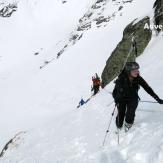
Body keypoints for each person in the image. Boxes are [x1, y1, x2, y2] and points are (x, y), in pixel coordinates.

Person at [112, 62, 163, 132]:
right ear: (129, 71)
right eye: (134, 71)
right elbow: (114, 92)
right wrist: (116, 100)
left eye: (137, 70)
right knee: (121, 113)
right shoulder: (121, 79)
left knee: (131, 112)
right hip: (121, 98)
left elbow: (147, 88)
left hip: (133, 97)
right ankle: (119, 125)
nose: (137, 72)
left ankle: (128, 123)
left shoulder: (138, 78)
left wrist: (157, 98)